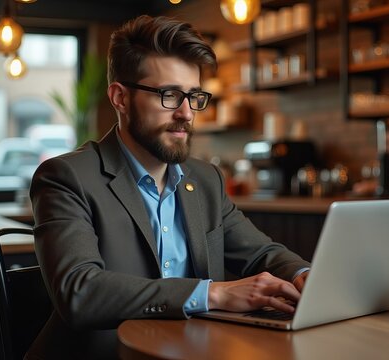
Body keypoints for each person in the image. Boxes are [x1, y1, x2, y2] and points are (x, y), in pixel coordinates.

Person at [27, 15, 309, 360]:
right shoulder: (65, 177)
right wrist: (213, 294)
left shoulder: (205, 179)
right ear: (120, 98)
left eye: (194, 96)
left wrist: (304, 275)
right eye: (170, 95)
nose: (187, 113)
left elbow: (261, 253)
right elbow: (80, 292)